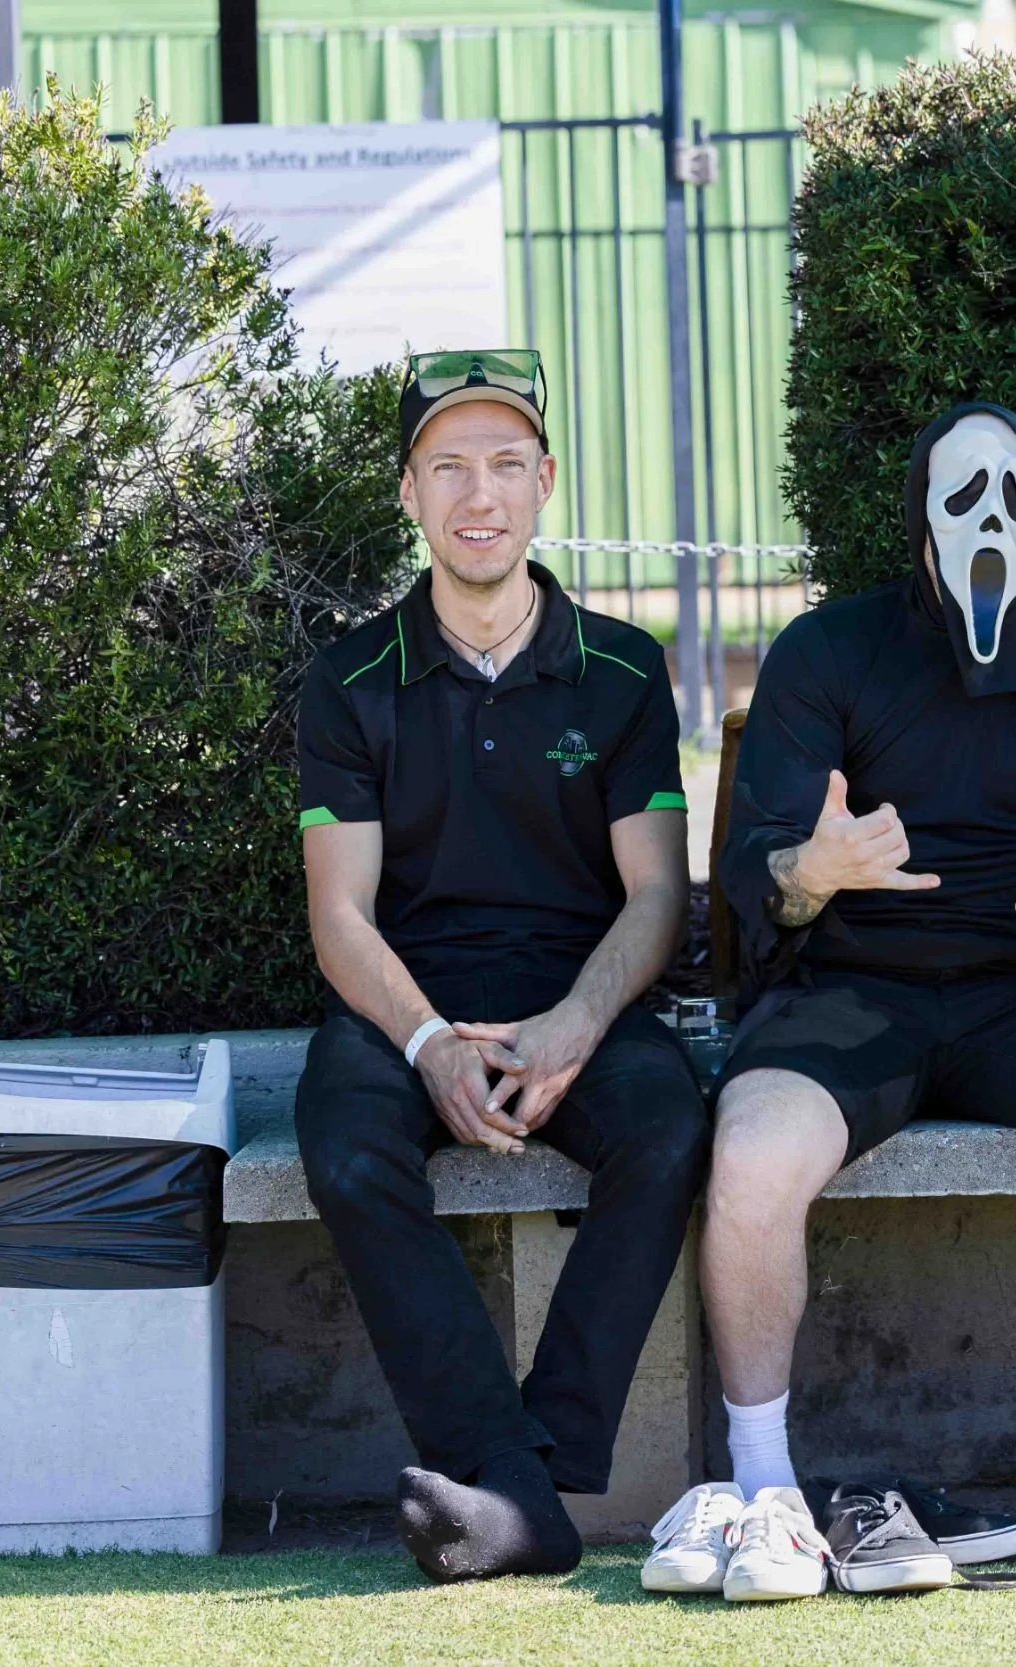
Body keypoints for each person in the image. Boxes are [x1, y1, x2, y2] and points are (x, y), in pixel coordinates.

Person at [645, 402, 1016, 1602]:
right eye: (963, 497)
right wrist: (816, 873)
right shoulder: (826, 653)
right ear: (920, 511)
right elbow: (765, 871)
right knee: (751, 1154)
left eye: (1014, 500)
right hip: (853, 993)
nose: (989, 523)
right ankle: (767, 1484)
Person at [294, 350, 710, 1583]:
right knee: (346, 1145)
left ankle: (531, 1471)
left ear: (545, 483)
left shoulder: (626, 669)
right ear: (411, 494)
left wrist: (576, 1022)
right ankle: (515, 1487)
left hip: (572, 988)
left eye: (507, 464)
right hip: (399, 1000)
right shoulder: (350, 680)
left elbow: (653, 893)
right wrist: (427, 1045)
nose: (482, 493)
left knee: (671, 1125)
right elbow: (340, 915)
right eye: (451, 467)